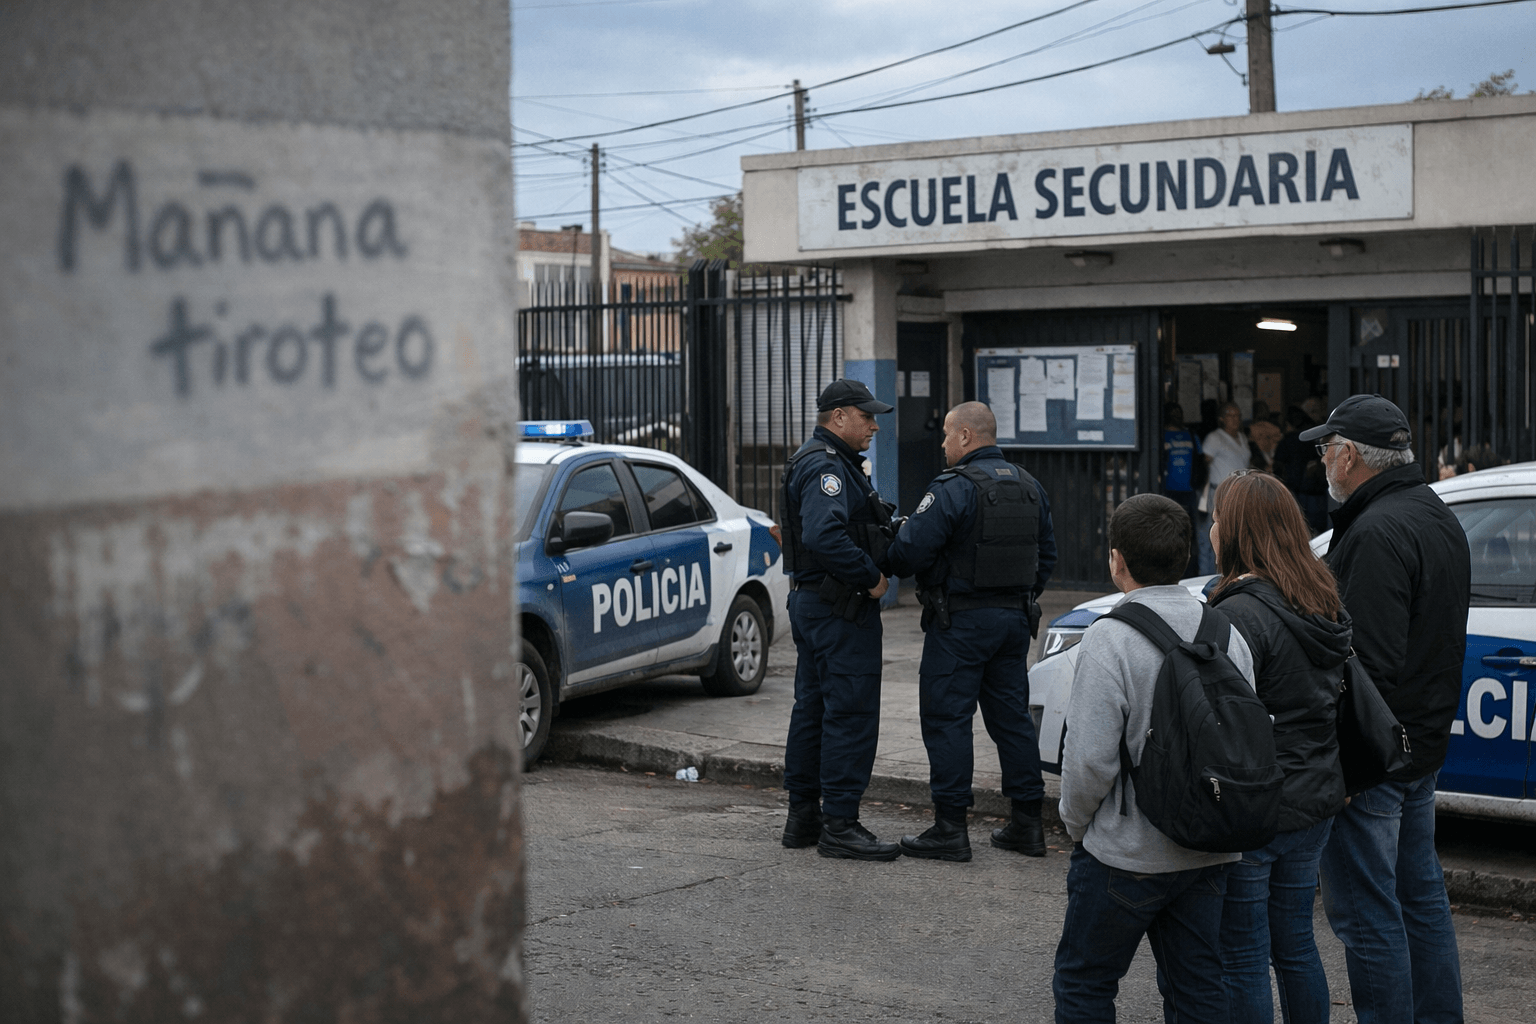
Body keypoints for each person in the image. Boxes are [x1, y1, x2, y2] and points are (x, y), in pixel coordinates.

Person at [1300, 394, 1471, 1022]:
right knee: (1419, 897)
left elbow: (1361, 666)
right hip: (1419, 746)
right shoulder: (1432, 513)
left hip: (1375, 759)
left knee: (1368, 913)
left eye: (1325, 449)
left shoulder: (1376, 530)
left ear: (1348, 455)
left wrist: (1343, 767)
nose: (1321, 460)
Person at [1054, 493, 1257, 1023]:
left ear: (1116, 559)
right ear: (1187, 558)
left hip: (1126, 854)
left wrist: (1078, 827)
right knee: (1197, 989)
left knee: (1084, 983)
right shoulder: (1227, 633)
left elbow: (1089, 762)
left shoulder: (1110, 638)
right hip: (1209, 850)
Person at [1206, 472, 1352, 1024]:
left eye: (1219, 519)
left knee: (1242, 952)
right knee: (1294, 942)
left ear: (1239, 532)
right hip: (1316, 794)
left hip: (1257, 804)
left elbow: (1222, 720)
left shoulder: (1239, 613)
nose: (1212, 529)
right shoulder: (1320, 598)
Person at [883, 402, 1057, 861]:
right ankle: (1027, 825)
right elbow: (1049, 556)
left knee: (947, 720)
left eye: (945, 435)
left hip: (959, 623)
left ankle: (950, 829)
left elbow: (908, 553)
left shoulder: (953, 489)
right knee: (1012, 721)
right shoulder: (1029, 486)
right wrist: (1017, 595)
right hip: (1014, 622)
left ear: (964, 436)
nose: (942, 444)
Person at [779, 378, 901, 861]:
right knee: (849, 712)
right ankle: (841, 825)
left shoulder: (825, 460)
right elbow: (825, 534)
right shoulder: (827, 466)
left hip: (816, 606)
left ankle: (803, 818)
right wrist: (871, 577)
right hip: (839, 608)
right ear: (838, 418)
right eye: (866, 416)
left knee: (812, 710)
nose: (874, 426)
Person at [1197, 402, 1250, 573]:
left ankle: (1229, 574)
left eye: (1238, 415)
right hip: (1219, 492)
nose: (1235, 419)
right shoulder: (1215, 438)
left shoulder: (1241, 437)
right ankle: (1208, 576)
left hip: (1239, 492)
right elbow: (1203, 465)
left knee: (1235, 536)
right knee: (1214, 535)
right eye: (1230, 415)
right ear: (1221, 419)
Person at [1162, 403, 1204, 577]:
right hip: (1168, 491)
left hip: (1189, 491)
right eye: (1173, 413)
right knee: (1168, 531)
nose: (1177, 416)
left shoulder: (1192, 435)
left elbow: (1201, 461)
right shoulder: (1161, 436)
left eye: (1179, 412)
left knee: (1190, 533)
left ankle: (1190, 572)